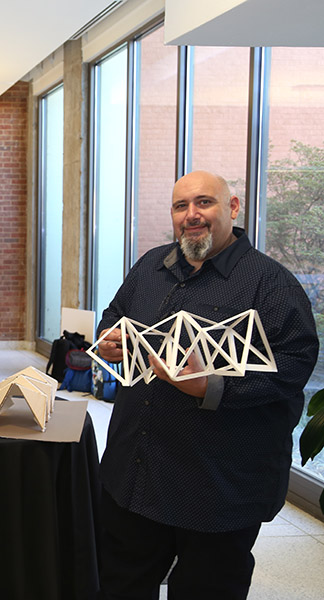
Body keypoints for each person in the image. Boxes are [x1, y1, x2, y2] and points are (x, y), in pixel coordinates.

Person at [95, 170, 319, 600]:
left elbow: (295, 366)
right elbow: (114, 314)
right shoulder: (150, 266)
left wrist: (212, 387)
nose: (191, 215)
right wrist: (110, 340)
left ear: (232, 209)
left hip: (217, 490)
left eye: (204, 203)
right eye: (181, 206)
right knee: (119, 584)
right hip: (135, 475)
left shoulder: (270, 283)